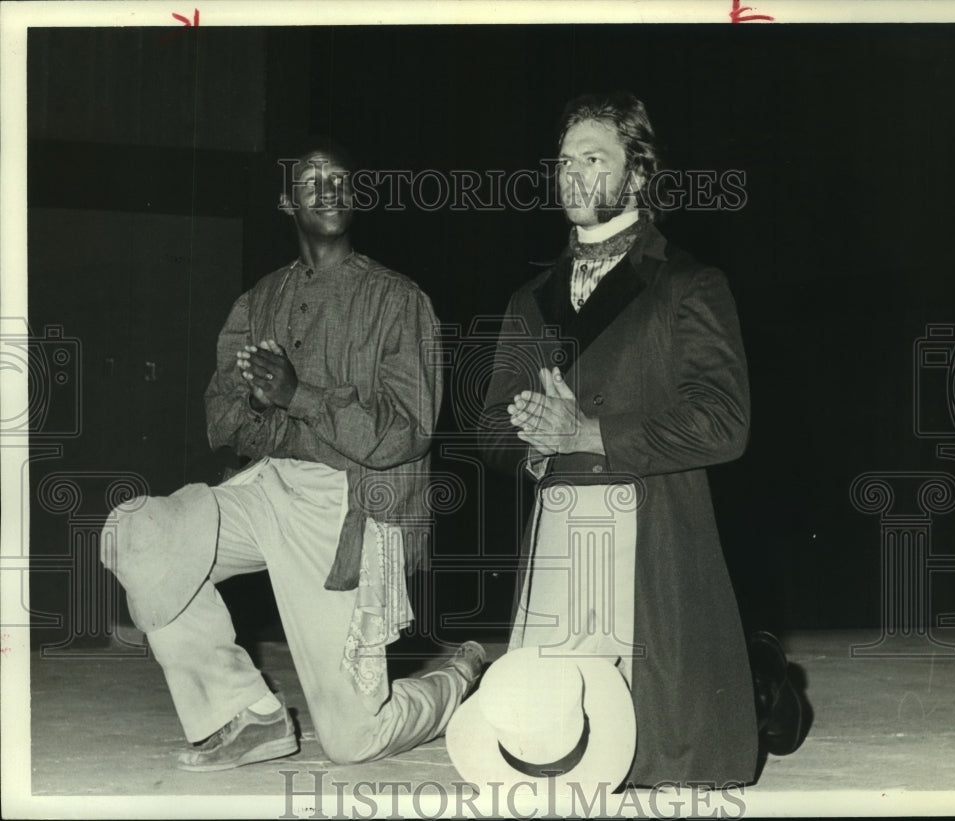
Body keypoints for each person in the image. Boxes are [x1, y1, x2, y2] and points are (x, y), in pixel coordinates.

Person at [101, 138, 485, 771]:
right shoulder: (258, 303)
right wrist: (260, 405)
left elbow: (406, 432)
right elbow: (221, 420)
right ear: (287, 200)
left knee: (352, 742)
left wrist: (296, 394)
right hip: (266, 487)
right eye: (311, 180)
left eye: (340, 179)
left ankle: (459, 676)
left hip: (346, 507)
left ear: (356, 197)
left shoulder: (397, 299)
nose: (328, 189)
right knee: (136, 533)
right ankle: (247, 714)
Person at [479, 92, 768, 788]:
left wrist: (590, 430)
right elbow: (490, 429)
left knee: (658, 765)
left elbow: (725, 421)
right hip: (558, 555)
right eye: (565, 160)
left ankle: (760, 684)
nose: (572, 174)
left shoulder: (688, 283)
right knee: (556, 766)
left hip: (654, 552)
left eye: (594, 158)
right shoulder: (532, 300)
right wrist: (541, 443)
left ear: (636, 175)